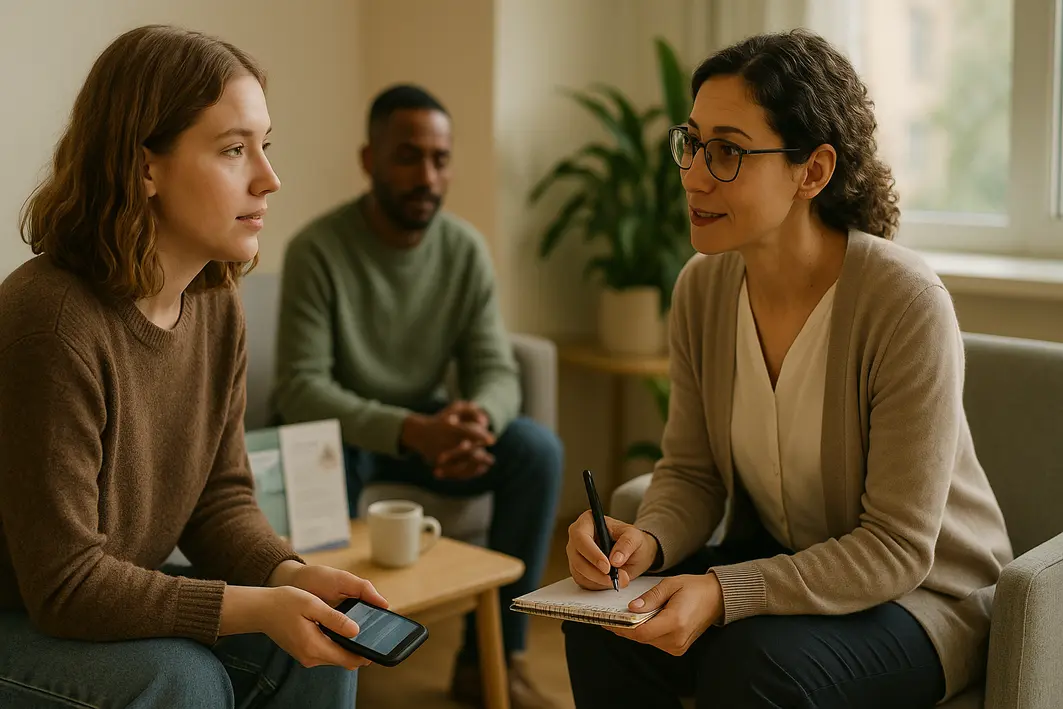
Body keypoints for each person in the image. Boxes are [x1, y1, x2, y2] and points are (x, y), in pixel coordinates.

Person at [563, 29, 1013, 709]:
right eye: (691, 143)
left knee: (754, 665)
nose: (692, 175)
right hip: (787, 565)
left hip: (925, 599)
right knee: (599, 622)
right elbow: (691, 472)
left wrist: (722, 592)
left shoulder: (903, 303)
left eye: (727, 153)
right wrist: (642, 544)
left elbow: (894, 547)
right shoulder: (701, 289)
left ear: (812, 171)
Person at [0, 25, 388, 709]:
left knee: (325, 644)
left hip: (86, 594)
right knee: (185, 679)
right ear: (145, 165)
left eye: (264, 146)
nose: (269, 178)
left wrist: (290, 574)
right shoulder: (51, 320)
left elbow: (218, 499)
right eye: (234, 149)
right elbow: (64, 587)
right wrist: (253, 605)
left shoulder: (215, 302)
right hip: (21, 610)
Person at [271, 84, 563, 709]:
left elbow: (495, 367)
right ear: (368, 159)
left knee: (535, 450)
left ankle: (491, 662)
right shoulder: (317, 249)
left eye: (440, 158)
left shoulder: (463, 250)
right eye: (408, 156)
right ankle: (337, 661)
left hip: (423, 430)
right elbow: (301, 389)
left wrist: (478, 423)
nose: (427, 175)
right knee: (323, 457)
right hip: (343, 434)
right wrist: (413, 431)